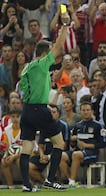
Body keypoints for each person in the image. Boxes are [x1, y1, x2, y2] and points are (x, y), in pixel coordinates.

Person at [18, 12, 70, 192]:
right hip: (40, 109)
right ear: (44, 53)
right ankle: (49, 180)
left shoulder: (27, 67)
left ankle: (26, 185)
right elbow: (59, 45)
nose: (53, 56)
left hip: (26, 111)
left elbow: (24, 87)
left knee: (26, 148)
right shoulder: (41, 64)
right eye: (50, 53)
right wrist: (65, 25)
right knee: (59, 144)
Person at [59, 102, 106, 188]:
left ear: (92, 111)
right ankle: (71, 181)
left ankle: (72, 182)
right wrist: (73, 139)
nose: (85, 112)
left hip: (92, 153)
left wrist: (86, 145)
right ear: (80, 112)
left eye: (88, 110)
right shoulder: (78, 125)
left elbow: (103, 144)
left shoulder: (98, 125)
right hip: (78, 151)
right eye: (83, 110)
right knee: (61, 155)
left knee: (76, 154)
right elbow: (72, 143)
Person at [29, 104, 70, 184]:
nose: (52, 114)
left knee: (57, 158)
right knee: (29, 167)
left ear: (58, 114)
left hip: (58, 153)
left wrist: (49, 156)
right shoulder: (44, 125)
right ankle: (45, 182)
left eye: (54, 112)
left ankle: (66, 181)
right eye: (50, 112)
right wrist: (42, 155)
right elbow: (40, 146)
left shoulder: (63, 126)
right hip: (45, 154)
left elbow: (64, 145)